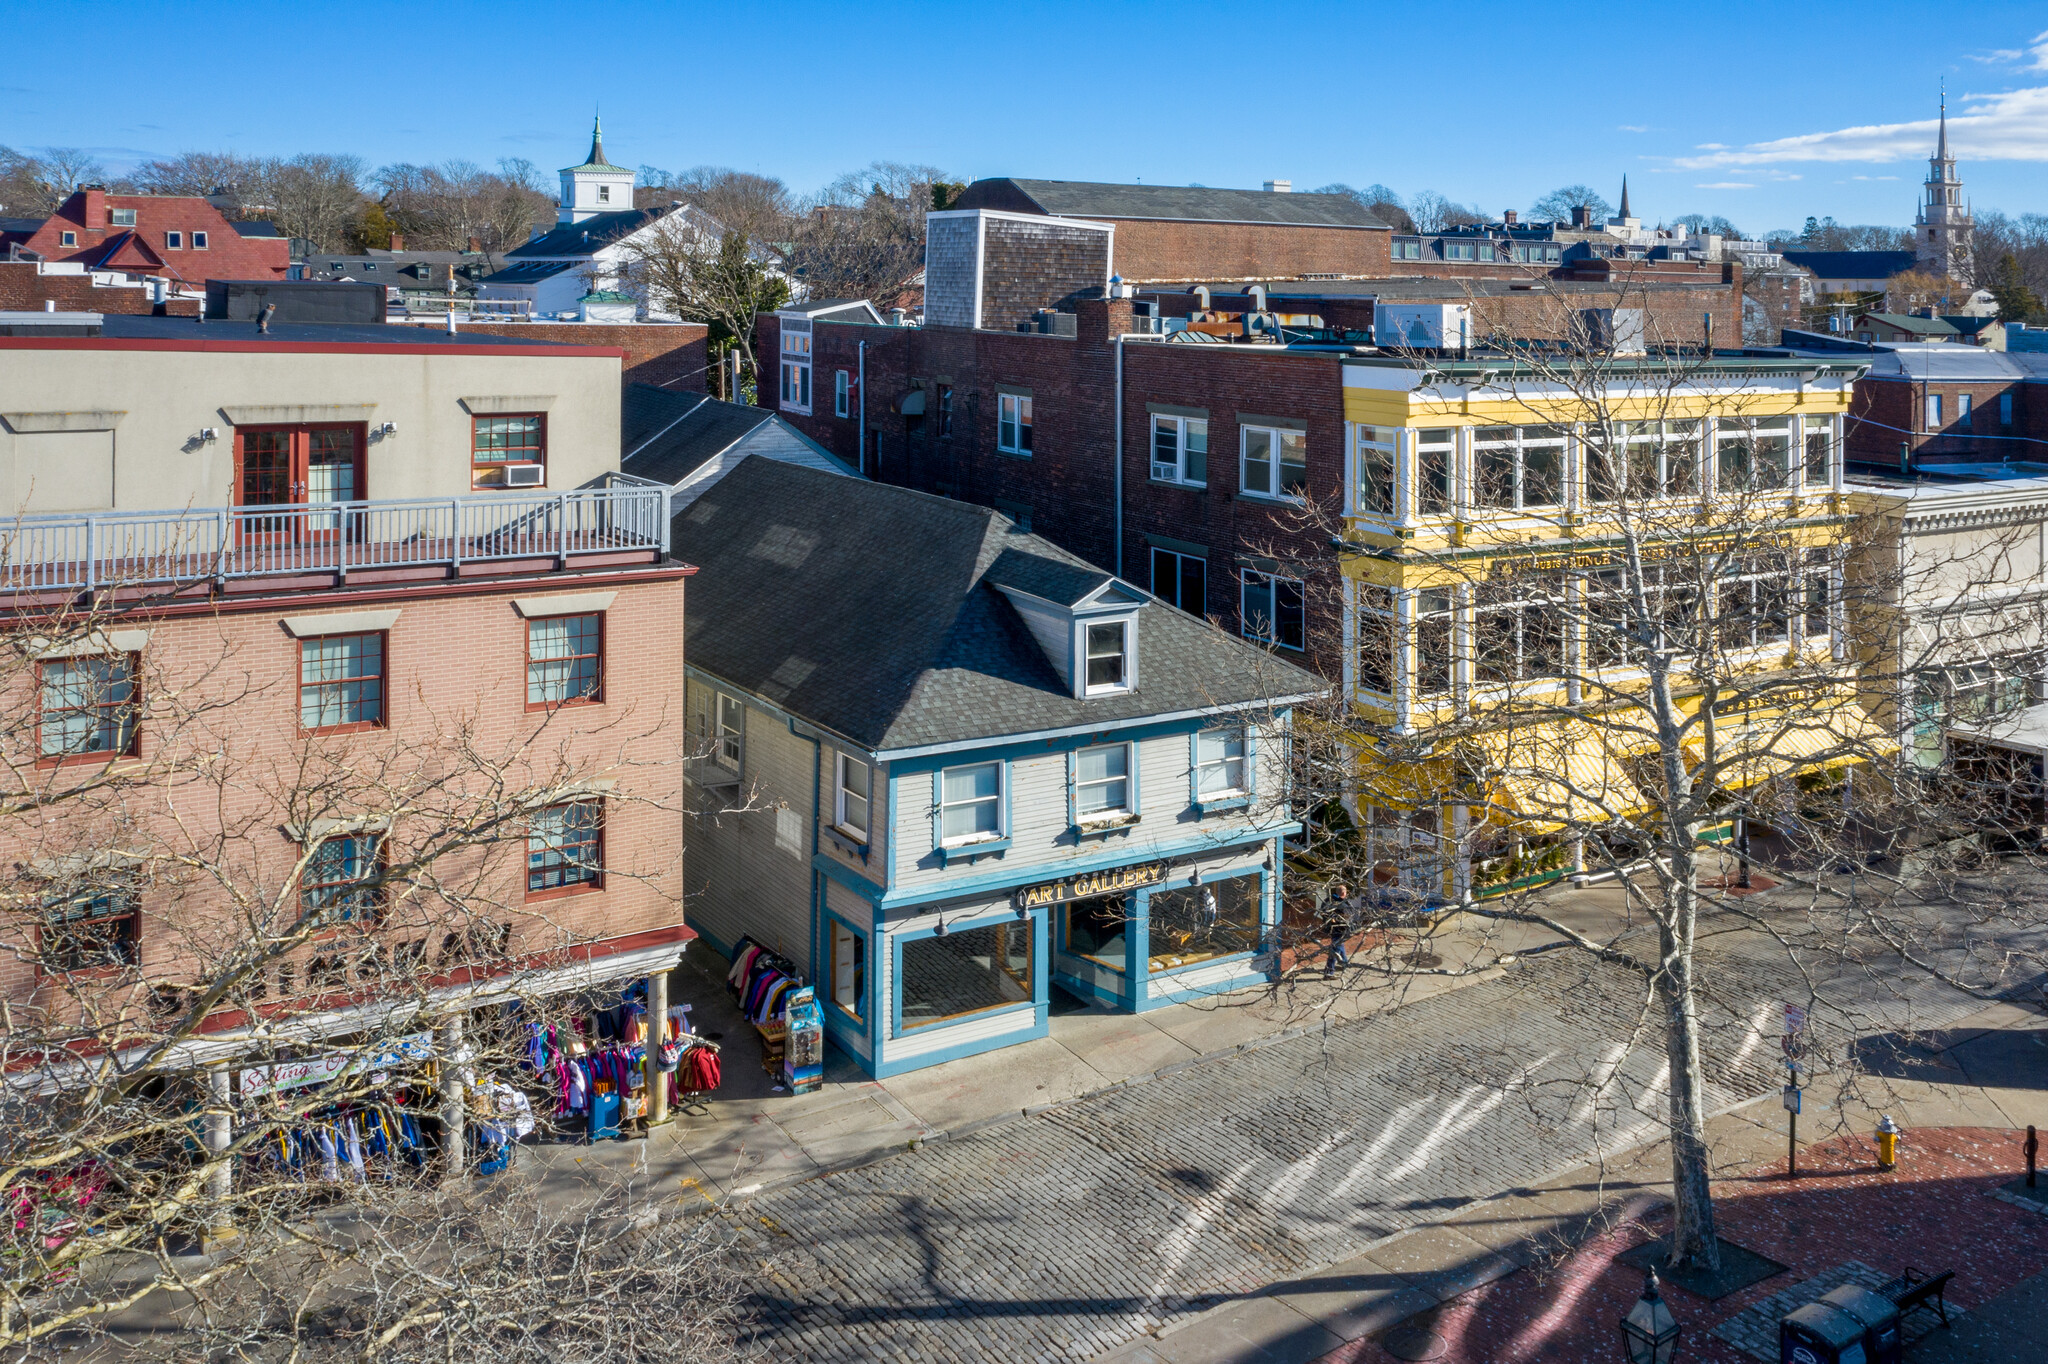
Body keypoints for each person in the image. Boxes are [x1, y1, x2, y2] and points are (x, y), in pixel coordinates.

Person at [1322, 884, 1354, 977]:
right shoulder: (1341, 903)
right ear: (1344, 893)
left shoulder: (1328, 901)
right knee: (1336, 948)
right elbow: (1347, 916)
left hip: (1331, 927)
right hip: (1339, 927)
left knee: (1340, 943)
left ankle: (1344, 962)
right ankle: (1329, 972)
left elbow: (1324, 913)